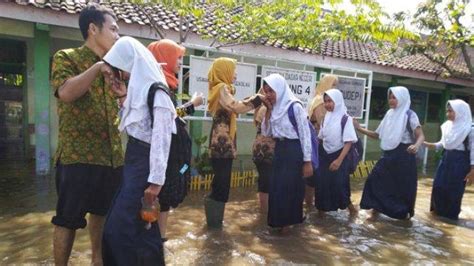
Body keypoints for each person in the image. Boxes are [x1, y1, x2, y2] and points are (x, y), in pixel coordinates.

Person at [50, 4, 122, 265]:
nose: (117, 35)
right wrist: (96, 69)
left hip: (111, 157)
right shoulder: (66, 57)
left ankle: (97, 261)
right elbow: (66, 92)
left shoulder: (115, 67)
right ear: (93, 29)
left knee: (103, 214)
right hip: (77, 156)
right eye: (113, 29)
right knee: (67, 219)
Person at [101, 36, 176, 265]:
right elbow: (133, 129)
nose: (115, 76)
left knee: (119, 229)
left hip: (145, 166)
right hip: (133, 163)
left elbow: (161, 141)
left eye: (117, 70)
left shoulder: (157, 92)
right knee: (142, 227)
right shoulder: (137, 92)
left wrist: (155, 183)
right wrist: (122, 95)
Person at [148, 39, 203, 241]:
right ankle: (156, 240)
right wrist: (192, 104)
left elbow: (171, 115)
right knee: (162, 195)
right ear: (165, 58)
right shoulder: (157, 86)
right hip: (166, 155)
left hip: (175, 157)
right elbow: (168, 117)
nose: (180, 62)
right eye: (177, 57)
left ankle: (160, 239)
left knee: (169, 194)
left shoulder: (166, 84)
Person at [205, 57, 265, 228]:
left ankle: (214, 220)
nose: (236, 74)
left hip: (222, 140)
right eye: (233, 70)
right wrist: (257, 100)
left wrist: (255, 97)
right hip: (222, 142)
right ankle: (214, 223)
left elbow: (236, 104)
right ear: (225, 71)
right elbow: (235, 107)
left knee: (220, 180)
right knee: (222, 182)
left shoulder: (222, 89)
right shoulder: (222, 88)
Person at [354, 86, 425, 221]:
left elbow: (421, 135)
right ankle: (376, 209)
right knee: (374, 180)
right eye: (390, 97)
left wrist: (416, 145)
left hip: (404, 156)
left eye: (394, 97)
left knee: (401, 188)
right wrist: (359, 129)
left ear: (402, 98)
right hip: (388, 155)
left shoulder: (410, 115)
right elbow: (377, 134)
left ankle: (402, 217)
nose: (391, 100)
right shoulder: (389, 114)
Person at [261, 73, 313, 232]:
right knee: (277, 188)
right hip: (280, 150)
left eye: (271, 91)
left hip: (294, 151)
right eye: (266, 91)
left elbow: (305, 135)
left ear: (280, 89)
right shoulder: (274, 108)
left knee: (290, 188)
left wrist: (307, 161)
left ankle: (287, 226)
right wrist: (268, 111)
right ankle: (279, 223)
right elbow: (266, 132)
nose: (268, 94)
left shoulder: (295, 106)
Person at [424, 99, 474, 220]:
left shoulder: (470, 129)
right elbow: (444, 143)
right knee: (438, 187)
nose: (448, 114)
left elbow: (473, 150)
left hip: (460, 163)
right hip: (445, 159)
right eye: (447, 111)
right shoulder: (448, 126)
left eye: (451, 111)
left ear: (460, 112)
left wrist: (472, 170)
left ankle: (450, 219)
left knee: (454, 191)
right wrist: (430, 145)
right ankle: (437, 215)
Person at [316, 89, 358, 216]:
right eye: (325, 101)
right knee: (322, 185)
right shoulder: (325, 118)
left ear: (338, 101)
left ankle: (352, 210)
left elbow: (349, 142)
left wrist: (339, 161)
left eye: (330, 101)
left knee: (340, 186)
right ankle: (320, 215)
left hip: (340, 155)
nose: (327, 104)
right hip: (325, 155)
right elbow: (321, 138)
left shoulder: (346, 119)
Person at [305, 74, 339, 207]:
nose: (336, 88)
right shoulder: (320, 101)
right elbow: (323, 124)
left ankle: (309, 206)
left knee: (312, 176)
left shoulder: (317, 99)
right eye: (334, 84)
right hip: (318, 142)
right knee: (315, 176)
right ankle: (311, 206)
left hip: (316, 140)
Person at [252, 104, 275, 215]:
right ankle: (265, 213)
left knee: (263, 180)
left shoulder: (261, 107)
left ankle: (263, 212)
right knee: (267, 182)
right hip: (268, 149)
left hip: (258, 148)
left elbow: (257, 123)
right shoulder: (272, 109)